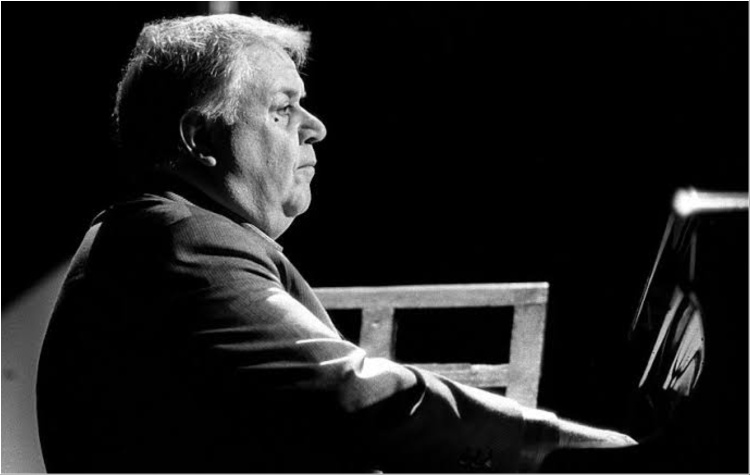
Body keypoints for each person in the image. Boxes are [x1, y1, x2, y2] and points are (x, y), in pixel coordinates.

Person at [36, 14, 635, 473]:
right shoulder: (177, 240)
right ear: (199, 137)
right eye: (282, 109)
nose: (316, 127)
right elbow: (354, 392)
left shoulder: (155, 236)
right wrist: (554, 443)